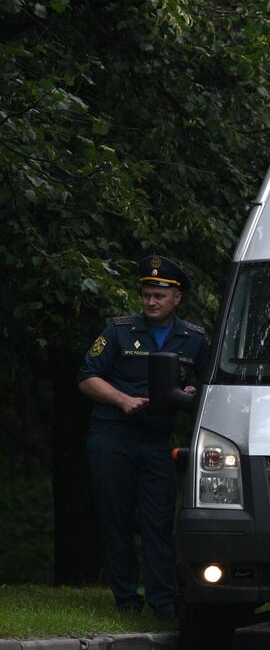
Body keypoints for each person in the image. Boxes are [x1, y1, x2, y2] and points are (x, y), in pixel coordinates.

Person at [76, 256, 214, 616]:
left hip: (157, 440)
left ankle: (163, 602)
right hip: (113, 435)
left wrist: (192, 390)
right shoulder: (118, 330)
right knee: (116, 517)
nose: (151, 302)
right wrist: (122, 400)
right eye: (147, 295)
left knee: (157, 522)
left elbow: (211, 386)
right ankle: (126, 600)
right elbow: (87, 377)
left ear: (176, 299)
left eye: (159, 296)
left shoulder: (194, 339)